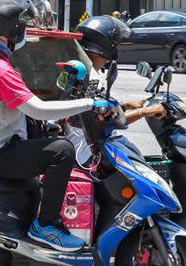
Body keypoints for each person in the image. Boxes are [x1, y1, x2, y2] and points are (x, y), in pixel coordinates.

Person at [0, 0, 118, 266]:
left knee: (37, 186)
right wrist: (90, 104)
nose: (25, 30)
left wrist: (68, 90)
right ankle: (47, 226)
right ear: (13, 28)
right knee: (61, 150)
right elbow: (37, 108)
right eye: (22, 24)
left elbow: (25, 104)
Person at [63, 16, 167, 165]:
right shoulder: (91, 76)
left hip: (82, 144)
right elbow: (108, 122)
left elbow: (95, 109)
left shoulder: (77, 70)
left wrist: (126, 105)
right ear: (105, 45)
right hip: (89, 153)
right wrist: (146, 112)